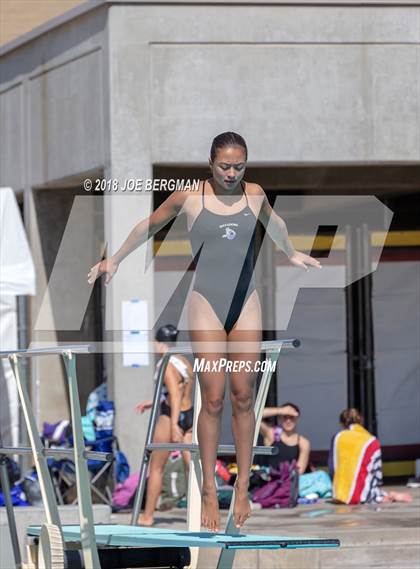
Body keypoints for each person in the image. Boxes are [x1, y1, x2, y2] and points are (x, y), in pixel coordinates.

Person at [88, 131, 321, 531]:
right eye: (225, 166)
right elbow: (149, 225)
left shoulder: (255, 194)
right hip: (207, 305)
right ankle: (210, 490)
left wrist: (290, 251)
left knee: (244, 395)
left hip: (244, 301)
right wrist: (115, 260)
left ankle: (243, 487)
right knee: (212, 399)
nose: (232, 173)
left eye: (239, 166)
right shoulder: (189, 198)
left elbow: (275, 223)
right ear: (210, 164)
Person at [134, 324, 194, 526]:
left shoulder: (166, 364)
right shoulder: (183, 361)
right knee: (192, 467)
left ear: (158, 343)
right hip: (190, 414)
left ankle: (147, 516)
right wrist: (152, 403)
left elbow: (175, 395)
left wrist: (174, 424)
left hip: (171, 416)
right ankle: (202, 513)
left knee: (157, 467)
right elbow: (181, 389)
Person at [329, 408, 412, 505]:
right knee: (371, 489)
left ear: (341, 424)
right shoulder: (372, 441)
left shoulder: (337, 438)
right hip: (362, 495)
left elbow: (332, 468)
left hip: (339, 495)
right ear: (361, 421)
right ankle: (385, 495)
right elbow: (378, 475)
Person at [259, 402, 310, 474]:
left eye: (291, 417)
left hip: (290, 481)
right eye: (285, 417)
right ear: (279, 418)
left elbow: (299, 471)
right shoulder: (272, 434)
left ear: (297, 418)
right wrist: (280, 410)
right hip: (270, 481)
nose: (288, 421)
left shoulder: (303, 442)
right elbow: (254, 415)